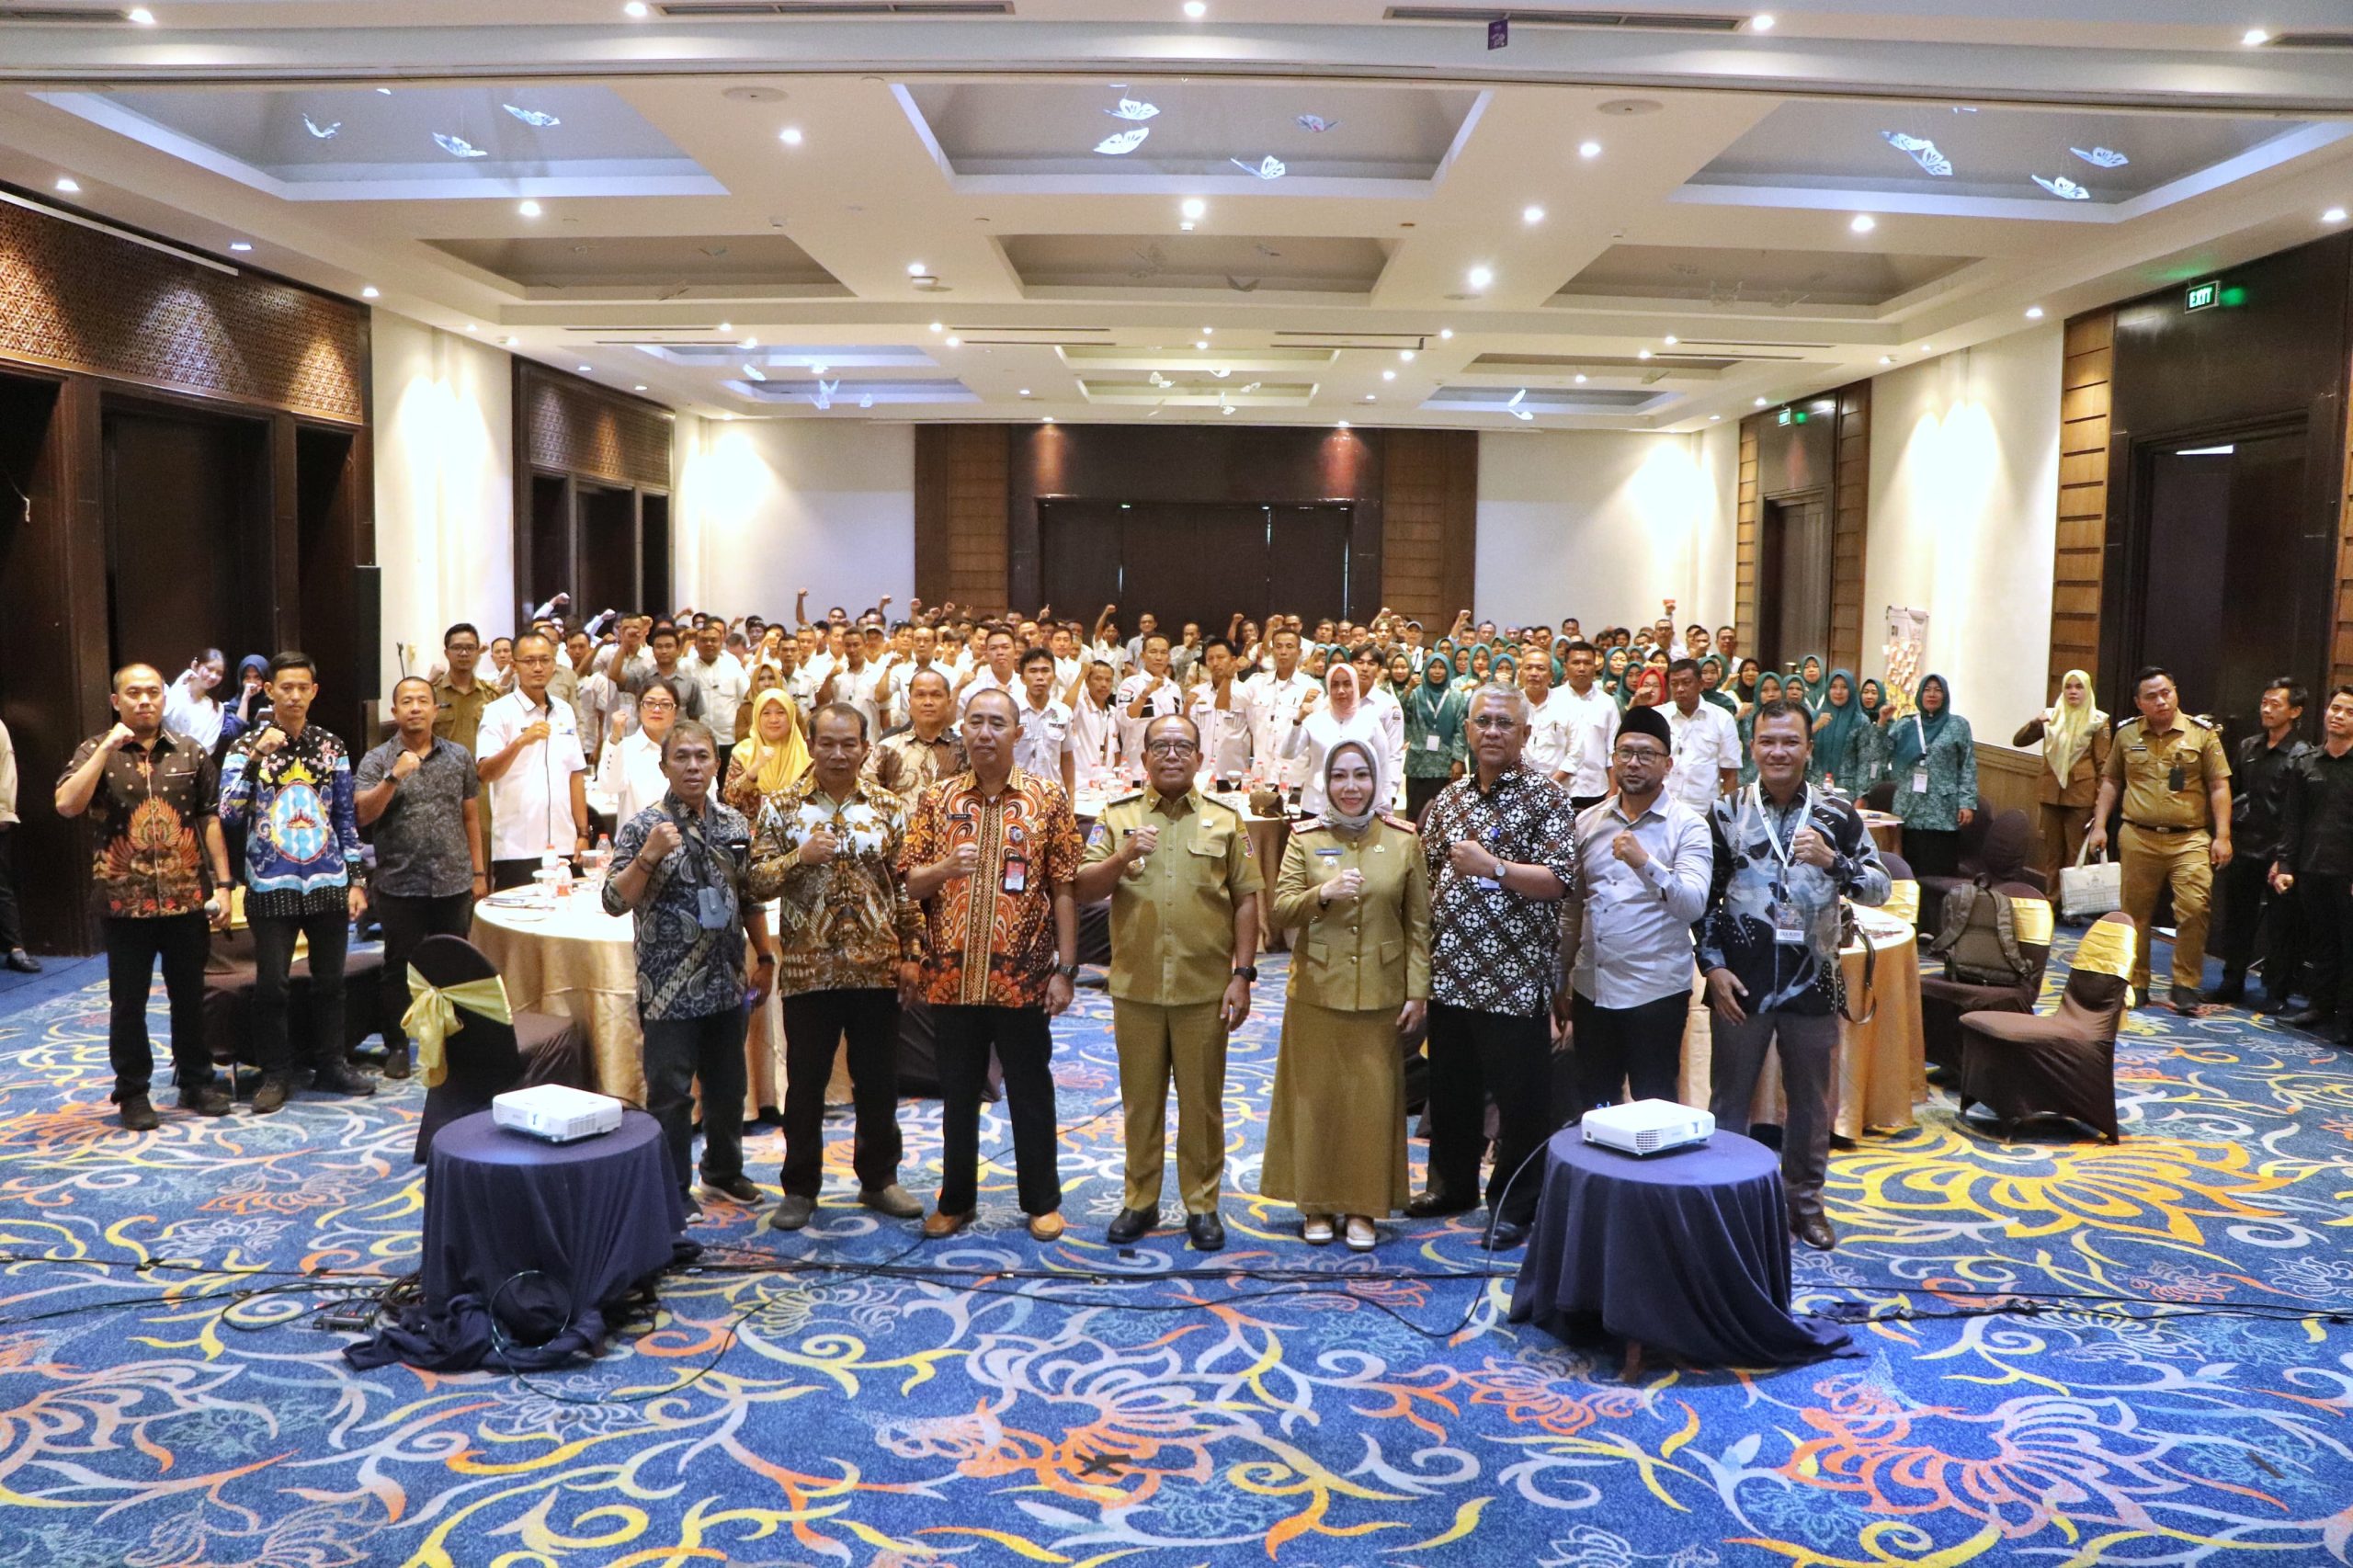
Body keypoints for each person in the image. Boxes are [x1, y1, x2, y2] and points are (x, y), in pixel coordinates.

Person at [1698, 699, 1892, 1251]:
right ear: (1752, 747)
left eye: (1790, 742)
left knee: (1810, 1103)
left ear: (1809, 748)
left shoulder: (1837, 814)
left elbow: (1880, 888)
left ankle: (1804, 1203)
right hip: (1742, 982)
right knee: (1728, 1101)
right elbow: (1704, 900)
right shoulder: (1727, 811)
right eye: (1767, 741)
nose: (1778, 751)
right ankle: (1726, 1204)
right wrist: (1712, 967)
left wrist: (1835, 863)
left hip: (1814, 980)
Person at [1074, 714, 1261, 1252]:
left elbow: (1247, 900)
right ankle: (1140, 1199)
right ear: (1144, 758)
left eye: (1183, 746)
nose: (1172, 754)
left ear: (1201, 758)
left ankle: (1202, 1204)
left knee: (1202, 1103)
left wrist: (1243, 975)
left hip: (1204, 989)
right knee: (1141, 1102)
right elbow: (1085, 888)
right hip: (1136, 987)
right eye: (1161, 746)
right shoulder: (1117, 817)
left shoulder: (1226, 820)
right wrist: (1122, 856)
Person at [903, 688, 1082, 1242]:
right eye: (975, 722)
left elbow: (1064, 887)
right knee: (957, 1096)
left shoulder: (1047, 799)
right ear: (963, 730)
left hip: (1023, 978)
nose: (985, 733)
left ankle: (1042, 1201)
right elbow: (910, 883)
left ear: (1017, 733)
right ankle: (955, 1200)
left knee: (1031, 1091)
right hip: (951, 977)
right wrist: (943, 869)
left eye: (997, 723)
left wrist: (1066, 970)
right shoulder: (937, 800)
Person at [745, 703, 926, 1229]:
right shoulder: (781, 807)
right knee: (805, 1085)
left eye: (850, 744)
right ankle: (800, 1189)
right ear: (811, 745)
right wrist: (797, 858)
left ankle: (879, 1180)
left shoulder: (889, 807)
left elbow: (905, 887)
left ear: (866, 748)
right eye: (828, 743)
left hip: (877, 968)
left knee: (878, 1082)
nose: (839, 754)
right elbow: (753, 882)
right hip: (810, 971)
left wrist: (912, 953)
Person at [1411, 685, 1577, 1250]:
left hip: (1513, 979)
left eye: (1505, 723)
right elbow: (1427, 880)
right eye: (1483, 721)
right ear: (1467, 731)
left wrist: (1495, 867)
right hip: (1451, 976)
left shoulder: (1546, 799)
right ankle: (1451, 1187)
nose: (1492, 731)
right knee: (1452, 1091)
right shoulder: (1449, 801)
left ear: (1525, 734)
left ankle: (1514, 1204)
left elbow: (1559, 881)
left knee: (1520, 1103)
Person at [53, 665, 236, 1126]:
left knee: (190, 996)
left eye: (153, 692)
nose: (144, 701)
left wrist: (225, 885)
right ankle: (133, 1092)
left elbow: (210, 818)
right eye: (133, 693)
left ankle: (196, 1080)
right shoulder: (95, 750)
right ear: (116, 701)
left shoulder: (191, 751)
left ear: (164, 697)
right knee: (128, 1003)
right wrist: (106, 750)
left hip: (186, 896)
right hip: (123, 901)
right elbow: (67, 804)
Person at [1264, 741, 1428, 1250]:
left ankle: (1363, 1206)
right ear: (1326, 782)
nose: (1351, 787)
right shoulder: (1305, 839)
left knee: (1371, 1104)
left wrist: (1417, 991)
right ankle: (1315, 1203)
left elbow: (1419, 925)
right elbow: (1280, 910)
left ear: (1376, 781)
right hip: (1317, 988)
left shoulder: (1403, 841)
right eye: (1340, 776)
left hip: (1381, 991)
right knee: (1316, 1100)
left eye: (1361, 775)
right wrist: (1322, 895)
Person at [602, 719, 772, 1206]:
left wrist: (764, 956)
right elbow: (614, 901)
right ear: (664, 766)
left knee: (728, 1087)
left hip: (726, 980)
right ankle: (671, 1189)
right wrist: (648, 857)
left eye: (702, 757)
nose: (693, 766)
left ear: (717, 764)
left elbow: (749, 897)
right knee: (671, 1095)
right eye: (681, 757)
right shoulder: (644, 827)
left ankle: (722, 1171)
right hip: (667, 988)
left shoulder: (734, 824)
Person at [217, 652, 372, 1112]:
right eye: (286, 687)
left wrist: (356, 879)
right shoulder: (245, 746)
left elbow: (345, 819)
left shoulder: (332, 746)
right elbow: (228, 812)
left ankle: (331, 1064)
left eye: (303, 687)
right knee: (273, 986)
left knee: (331, 983)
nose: (295, 696)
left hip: (328, 879)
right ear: (269, 690)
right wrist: (256, 758)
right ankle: (275, 1073)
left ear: (314, 692)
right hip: (270, 882)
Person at [1556, 703, 1712, 1112]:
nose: (1634, 763)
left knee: (1653, 1109)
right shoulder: (1588, 823)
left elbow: (1693, 905)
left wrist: (1645, 863)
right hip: (1592, 987)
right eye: (1625, 752)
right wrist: (1561, 977)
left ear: (1668, 764)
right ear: (1613, 759)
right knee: (1594, 1106)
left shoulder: (1689, 826)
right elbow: (1572, 909)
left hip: (1655, 993)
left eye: (1646, 754)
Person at [356, 676, 487, 1079]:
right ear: (394, 711)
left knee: (456, 964)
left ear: (435, 709)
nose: (415, 708)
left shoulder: (459, 756)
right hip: (399, 881)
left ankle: (458, 1042)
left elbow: (470, 816)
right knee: (399, 967)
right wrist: (394, 777)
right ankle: (398, 1044)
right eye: (407, 701)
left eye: (422, 701)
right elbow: (363, 815)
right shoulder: (377, 759)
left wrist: (479, 871)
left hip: (453, 880)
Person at [2088, 666, 2234, 1014]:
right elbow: (2111, 781)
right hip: (2138, 836)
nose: (2161, 701)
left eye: (2166, 692)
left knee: (2195, 908)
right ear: (2139, 702)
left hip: (2190, 839)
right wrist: (2099, 825)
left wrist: (2223, 835)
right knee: (2135, 913)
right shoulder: (2126, 735)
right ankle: (2136, 983)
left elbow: (2219, 786)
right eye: (2151, 696)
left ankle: (2185, 984)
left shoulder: (2202, 734)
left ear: (2176, 692)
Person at [2212, 677, 2307, 1010]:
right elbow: (2233, 792)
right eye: (2264, 702)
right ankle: (2231, 983)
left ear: (2295, 711)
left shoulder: (2301, 755)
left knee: (2281, 926)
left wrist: (2284, 858)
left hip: (2278, 852)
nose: (2266, 709)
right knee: (2237, 919)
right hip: (2244, 844)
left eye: (2275, 704)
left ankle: (2275, 992)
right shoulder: (2248, 747)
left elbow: (2297, 814)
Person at [475, 632, 593, 891]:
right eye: (529, 661)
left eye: (544, 660)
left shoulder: (564, 711)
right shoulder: (498, 712)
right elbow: (484, 772)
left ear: (554, 664)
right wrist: (520, 742)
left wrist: (583, 833)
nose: (538, 667)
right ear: (514, 666)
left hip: (564, 843)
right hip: (517, 847)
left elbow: (575, 774)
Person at [2274, 686, 2353, 1041]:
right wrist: (2285, 864)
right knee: (2320, 943)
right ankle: (2320, 1007)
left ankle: (2346, 1020)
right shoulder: (2307, 762)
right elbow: (2292, 820)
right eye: (2335, 708)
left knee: (2349, 947)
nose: (2339, 716)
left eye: (2349, 712)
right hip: (2311, 867)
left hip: (2347, 873)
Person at [2013, 669, 2112, 890]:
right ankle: (2052, 901)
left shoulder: (2098, 721)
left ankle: (2073, 904)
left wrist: (2099, 803)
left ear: (2087, 690)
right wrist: (2036, 723)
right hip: (2051, 795)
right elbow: (2019, 741)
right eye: (2068, 687)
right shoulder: (2051, 716)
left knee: (2076, 857)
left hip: (2081, 797)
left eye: (2079, 687)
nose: (2073, 691)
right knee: (2052, 855)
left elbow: (2103, 765)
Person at [1888, 673, 1977, 879]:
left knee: (1939, 873)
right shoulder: (1906, 724)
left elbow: (1967, 765)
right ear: (1920, 694)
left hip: (1943, 812)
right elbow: (1881, 753)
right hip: (1910, 808)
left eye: (1938, 690)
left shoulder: (1958, 725)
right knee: (1908, 873)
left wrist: (1967, 802)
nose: (1932, 694)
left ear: (1945, 695)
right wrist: (1883, 723)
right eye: (1927, 690)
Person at [1284, 662, 1395, 817]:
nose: (1341, 691)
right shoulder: (1314, 721)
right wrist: (1297, 721)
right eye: (1335, 685)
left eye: (1347, 684)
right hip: (1316, 804)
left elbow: (1383, 768)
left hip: (1356, 806)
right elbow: (1288, 753)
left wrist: (1385, 808)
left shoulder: (1371, 723)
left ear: (1355, 686)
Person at [864, 667, 966, 811]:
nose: (928, 702)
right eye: (920, 695)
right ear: (910, 702)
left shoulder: (965, 751)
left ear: (949, 703)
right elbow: (865, 800)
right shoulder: (887, 749)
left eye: (936, 695)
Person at [597, 676, 683, 825]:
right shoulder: (624, 748)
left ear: (675, 711)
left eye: (665, 704)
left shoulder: (686, 750)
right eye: (649, 703)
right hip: (636, 837)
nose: (657, 709)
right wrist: (615, 736)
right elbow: (608, 786)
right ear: (639, 708)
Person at [1245, 626, 1319, 794]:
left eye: (1289, 646)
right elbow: (1249, 723)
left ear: (1299, 652)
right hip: (1261, 777)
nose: (1283, 652)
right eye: (1278, 647)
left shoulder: (1312, 688)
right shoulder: (1256, 684)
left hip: (1295, 780)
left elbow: (1316, 737)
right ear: (1272, 651)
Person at [1662, 658, 1741, 814]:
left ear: (1701, 684)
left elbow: (1730, 773)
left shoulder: (1722, 718)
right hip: (1663, 806)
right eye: (1674, 684)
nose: (1680, 689)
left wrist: (1729, 817)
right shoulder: (1659, 715)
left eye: (1686, 683)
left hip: (1704, 810)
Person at [722, 687, 811, 821]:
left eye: (781, 713)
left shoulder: (807, 755)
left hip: (796, 828)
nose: (773, 719)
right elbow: (730, 799)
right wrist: (754, 769)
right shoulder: (743, 752)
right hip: (751, 829)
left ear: (791, 716)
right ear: (757, 717)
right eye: (766, 713)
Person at [1402, 657, 1467, 820]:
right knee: (1415, 816)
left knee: (1444, 816)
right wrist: (1407, 690)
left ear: (1448, 670)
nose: (1437, 671)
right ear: (1426, 670)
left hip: (1445, 765)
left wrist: (1458, 759)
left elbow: (1461, 730)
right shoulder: (1416, 694)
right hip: (1418, 764)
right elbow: (1402, 717)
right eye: (1433, 667)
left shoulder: (1457, 697)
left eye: (1441, 667)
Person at [1014, 644, 1079, 798]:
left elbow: (1067, 760)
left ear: (1054, 676)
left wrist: (1071, 798)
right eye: (1033, 671)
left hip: (1052, 796)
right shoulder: (1010, 711)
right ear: (1022, 678)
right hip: (1017, 796)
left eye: (1045, 670)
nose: (1040, 677)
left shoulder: (1063, 712)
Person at [1188, 638, 1253, 786]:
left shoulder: (1245, 691)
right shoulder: (1196, 693)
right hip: (1201, 774)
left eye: (1221, 657)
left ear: (1233, 660)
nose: (1215, 663)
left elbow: (1255, 729)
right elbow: (1189, 734)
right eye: (1210, 658)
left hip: (1234, 774)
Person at [683, 618, 749, 748]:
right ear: (695, 644)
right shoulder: (686, 667)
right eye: (703, 640)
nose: (709, 644)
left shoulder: (732, 665)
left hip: (729, 739)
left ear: (721, 643)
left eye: (713, 640)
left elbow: (747, 698)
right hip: (696, 738)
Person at [431, 624, 496, 755]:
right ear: (446, 653)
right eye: (457, 648)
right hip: (444, 766)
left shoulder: (492, 695)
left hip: (483, 766)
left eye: (470, 648)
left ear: (478, 652)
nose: (464, 653)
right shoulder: (432, 694)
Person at [1070, 657, 1125, 790]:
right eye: (1098, 679)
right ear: (1087, 681)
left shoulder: (1113, 712)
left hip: (1107, 786)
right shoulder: (1080, 705)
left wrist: (1116, 779)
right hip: (1081, 786)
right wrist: (1081, 675)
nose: (1104, 684)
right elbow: (1064, 710)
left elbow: (1115, 751)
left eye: (1108, 680)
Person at [163, 649, 229, 753]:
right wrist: (179, 683)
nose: (213, 676)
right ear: (195, 665)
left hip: (195, 760)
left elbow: (209, 747)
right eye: (209, 669)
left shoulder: (217, 708)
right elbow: (163, 715)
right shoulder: (174, 692)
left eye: (219, 673)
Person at [1809, 670, 1862, 791]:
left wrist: (1862, 795)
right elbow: (1799, 748)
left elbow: (1866, 761)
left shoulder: (1860, 721)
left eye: (1844, 687)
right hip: (1815, 786)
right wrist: (1814, 728)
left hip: (1847, 789)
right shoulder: (1814, 717)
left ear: (1851, 690)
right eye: (1833, 687)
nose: (1838, 692)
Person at [1845, 677, 1893, 798]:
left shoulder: (1890, 723)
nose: (1869, 696)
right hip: (1856, 782)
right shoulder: (1856, 720)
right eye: (1865, 692)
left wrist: (1882, 723)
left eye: (1874, 692)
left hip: (1881, 782)